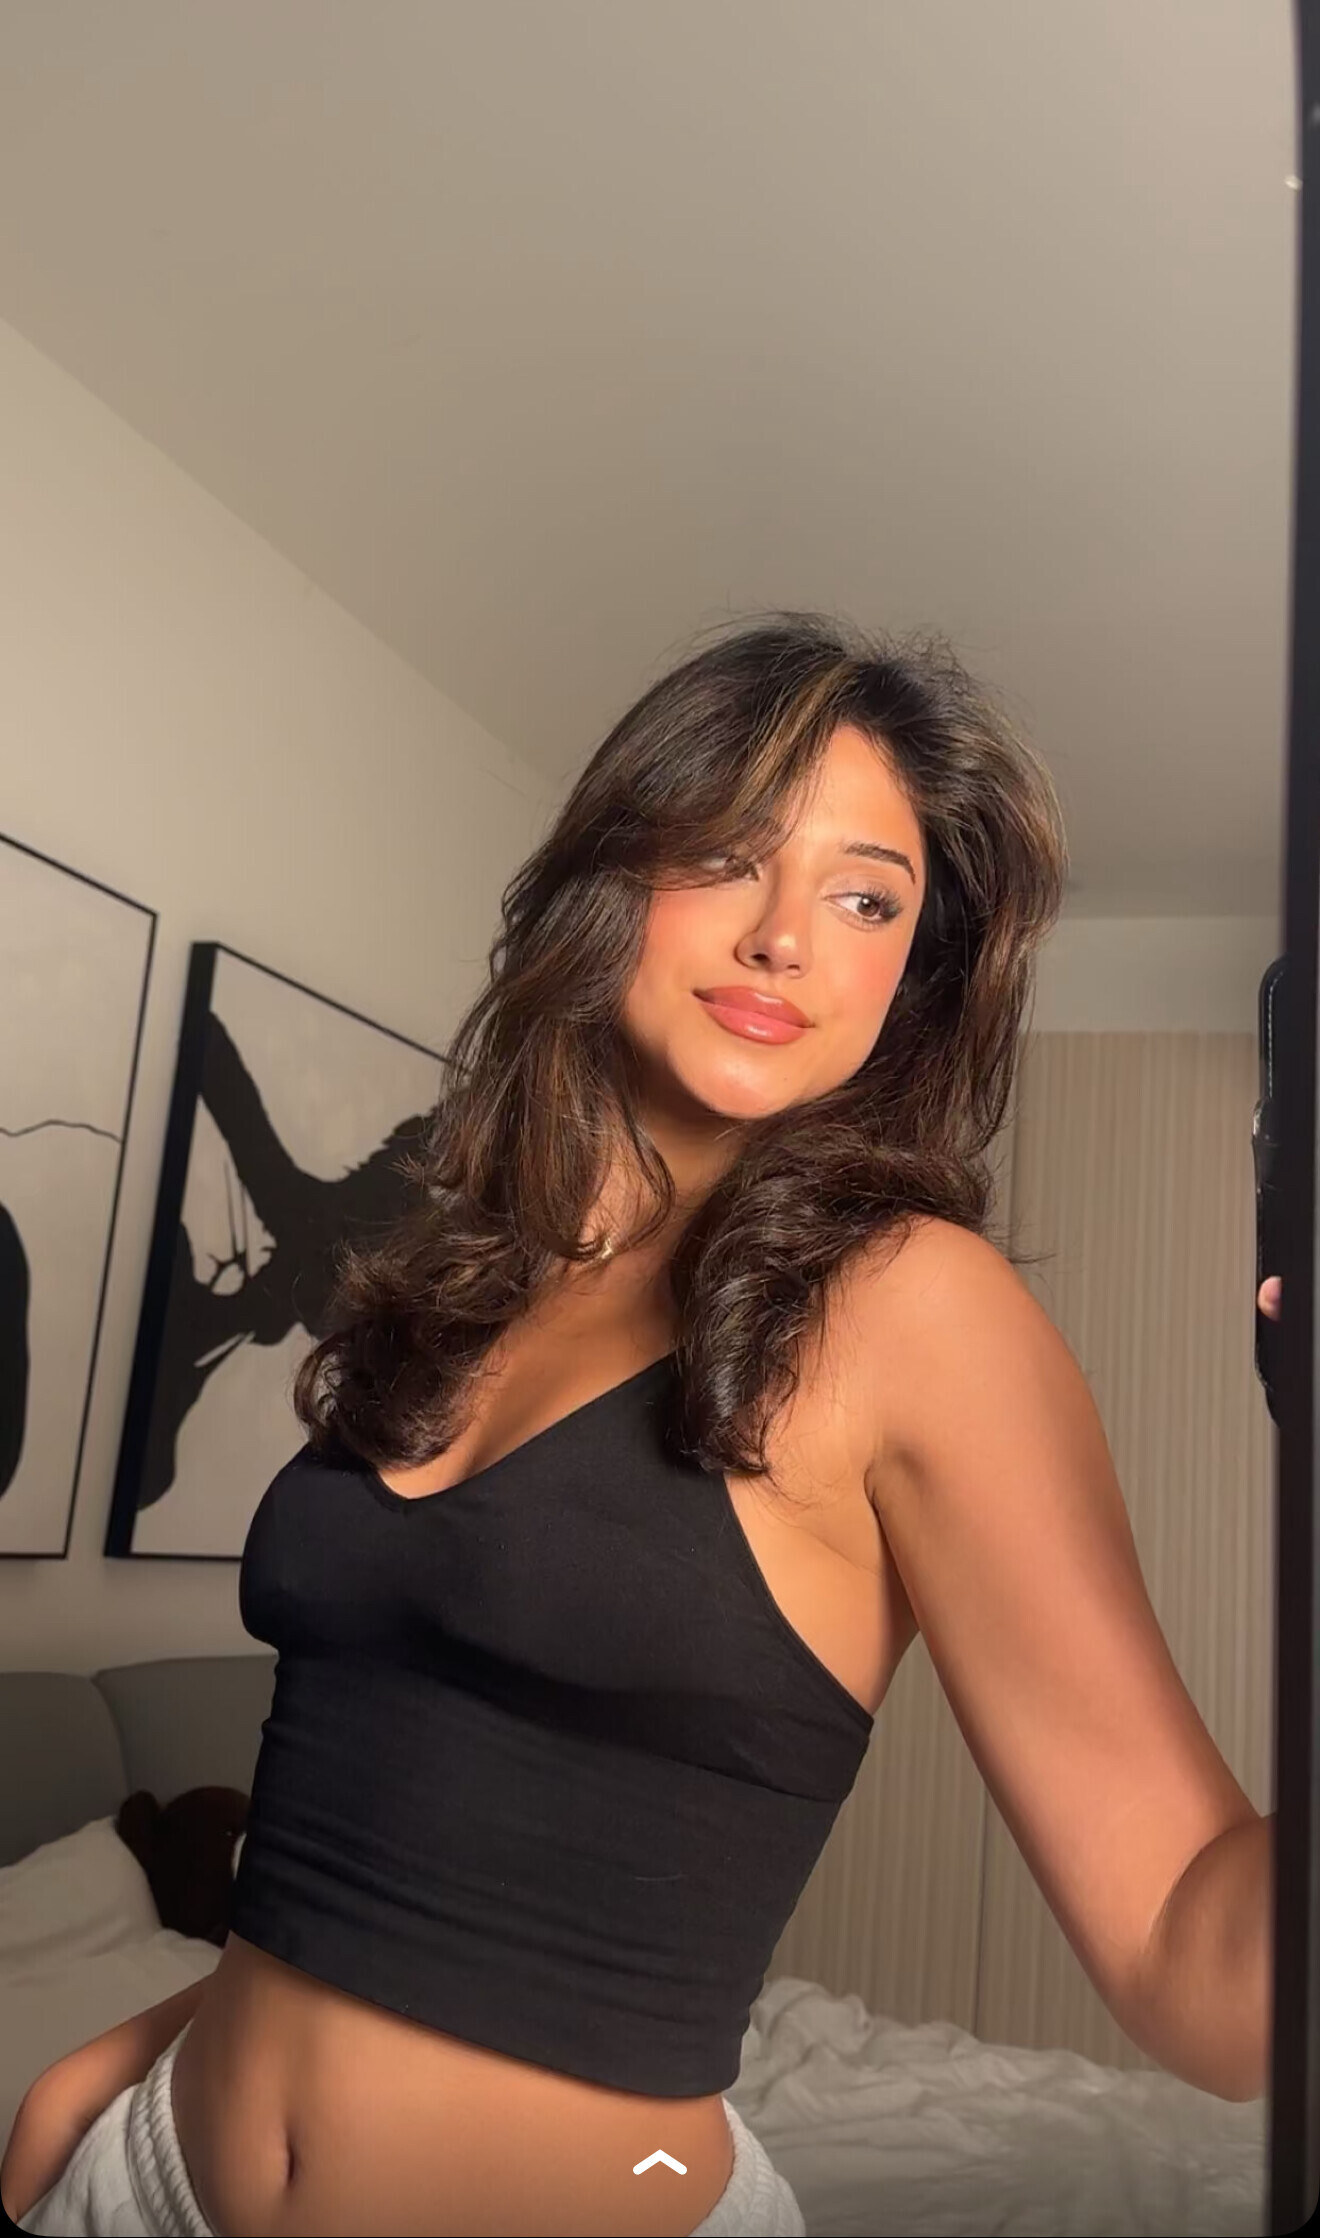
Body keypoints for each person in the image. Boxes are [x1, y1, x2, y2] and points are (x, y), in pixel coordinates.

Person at [2, 614, 1276, 2237]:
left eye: (865, 898)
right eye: (730, 854)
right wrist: (96, 2077)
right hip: (144, 2178)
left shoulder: (912, 1309)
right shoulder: (462, 1268)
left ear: (914, 971)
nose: (785, 937)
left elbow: (1196, 1956)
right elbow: (375, 1845)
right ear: (618, 867)